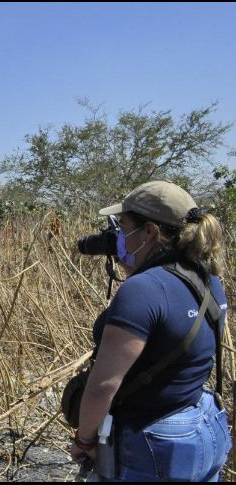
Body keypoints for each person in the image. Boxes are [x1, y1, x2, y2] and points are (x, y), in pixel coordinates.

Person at [70, 181, 232, 481]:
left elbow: (103, 386)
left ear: (149, 232)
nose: (117, 237)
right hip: (204, 424)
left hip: (156, 440)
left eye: (123, 228)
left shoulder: (143, 289)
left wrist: (85, 440)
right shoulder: (209, 280)